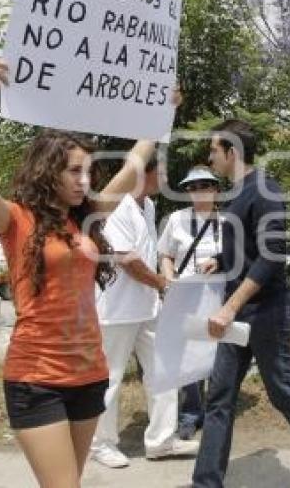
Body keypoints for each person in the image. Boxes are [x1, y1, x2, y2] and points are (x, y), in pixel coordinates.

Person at [0, 58, 164, 487]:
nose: (84, 180)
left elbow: (131, 168)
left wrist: (159, 112)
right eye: (74, 171)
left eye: (89, 171)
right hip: (37, 377)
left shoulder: (87, 218)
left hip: (89, 374)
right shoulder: (16, 220)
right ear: (47, 170)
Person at [192, 119, 290, 488]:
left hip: (265, 312)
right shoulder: (236, 193)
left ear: (231, 152)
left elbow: (272, 255)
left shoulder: (265, 189)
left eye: (214, 150)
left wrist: (229, 306)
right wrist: (220, 257)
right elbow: (245, 244)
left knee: (282, 391)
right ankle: (206, 483)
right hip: (238, 313)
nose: (210, 156)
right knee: (219, 397)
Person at [89, 156, 200, 468]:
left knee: (163, 371)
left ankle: (161, 441)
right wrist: (162, 283)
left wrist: (161, 287)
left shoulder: (148, 206)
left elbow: (147, 256)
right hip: (116, 310)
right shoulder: (118, 207)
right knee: (109, 378)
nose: (164, 176)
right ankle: (100, 444)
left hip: (148, 306)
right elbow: (126, 259)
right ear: (142, 174)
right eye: (160, 172)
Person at [157, 166, 223, 440]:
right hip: (185, 295)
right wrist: (169, 281)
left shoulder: (229, 220)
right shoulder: (176, 219)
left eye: (205, 186)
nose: (199, 192)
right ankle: (191, 414)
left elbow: (239, 255)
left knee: (218, 353)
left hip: (219, 295)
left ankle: (216, 412)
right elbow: (165, 255)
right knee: (188, 355)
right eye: (193, 187)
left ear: (216, 189)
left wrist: (219, 262)